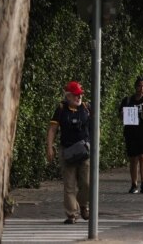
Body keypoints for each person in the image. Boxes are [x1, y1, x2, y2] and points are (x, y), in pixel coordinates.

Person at [47, 81, 93, 225]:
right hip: (67, 150)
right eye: (75, 95)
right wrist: (49, 146)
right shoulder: (61, 109)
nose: (78, 97)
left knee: (86, 183)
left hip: (84, 150)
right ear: (68, 96)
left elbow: (95, 128)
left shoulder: (87, 108)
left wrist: (94, 146)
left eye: (80, 94)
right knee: (69, 184)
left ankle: (83, 205)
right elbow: (53, 129)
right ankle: (72, 214)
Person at [120, 77, 143, 194]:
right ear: (136, 86)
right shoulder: (128, 100)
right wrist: (124, 114)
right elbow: (120, 114)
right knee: (133, 158)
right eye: (140, 86)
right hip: (131, 131)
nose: (142, 88)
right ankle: (134, 183)